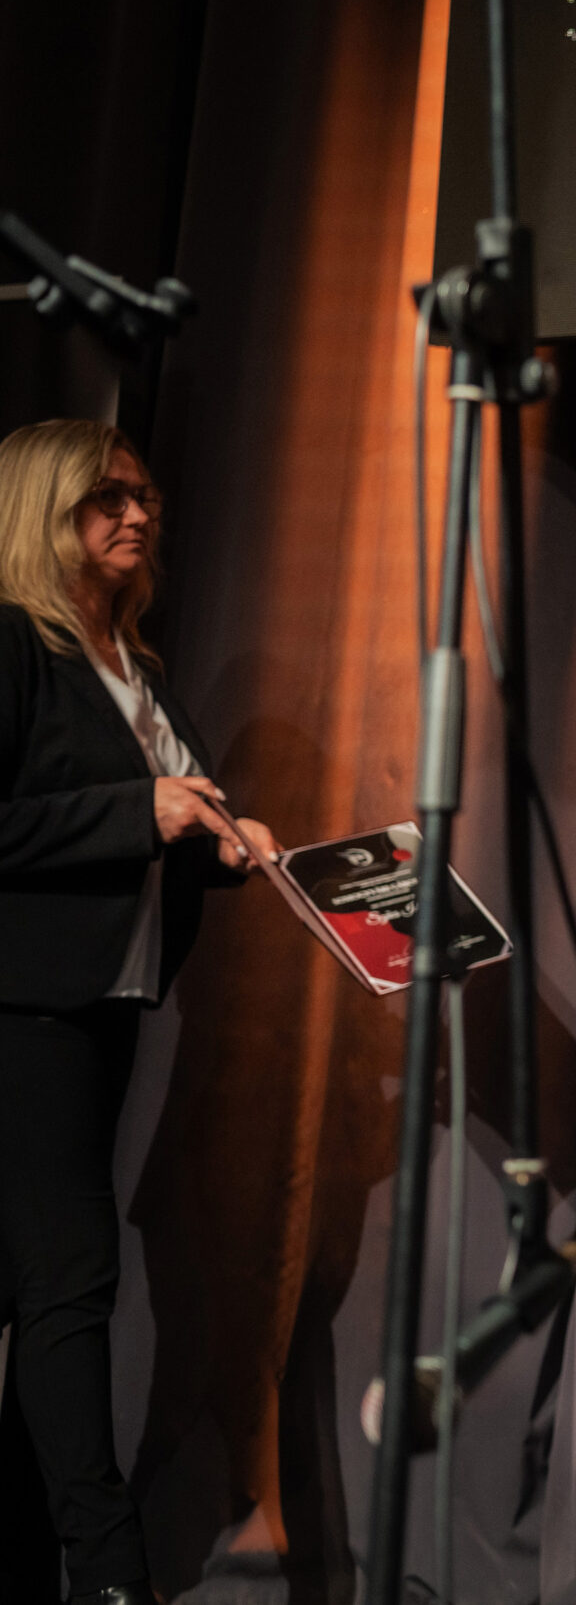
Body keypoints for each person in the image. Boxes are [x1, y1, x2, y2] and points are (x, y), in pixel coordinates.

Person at [0, 419, 278, 1605]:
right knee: (73, 1285)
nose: (135, 515)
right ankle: (114, 1578)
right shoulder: (15, 644)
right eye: (104, 498)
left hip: (101, 1008)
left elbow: (165, 822)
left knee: (38, 1289)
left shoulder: (135, 665)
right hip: (22, 1008)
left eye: (143, 496)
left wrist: (224, 839)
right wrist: (140, 813)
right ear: (42, 512)